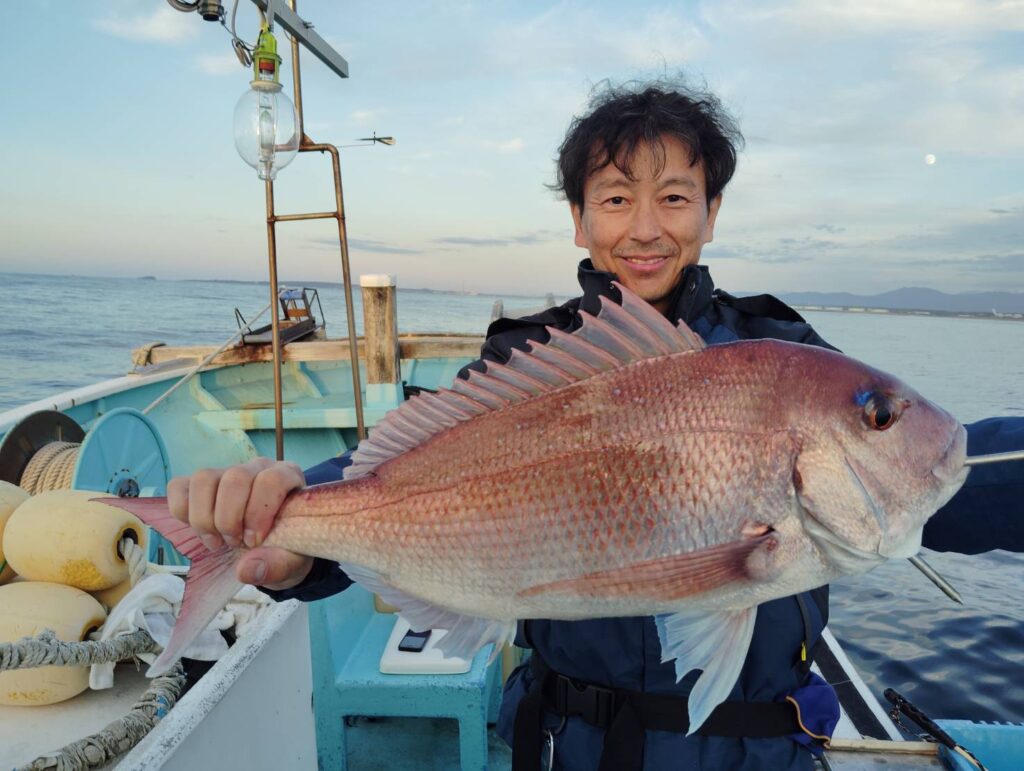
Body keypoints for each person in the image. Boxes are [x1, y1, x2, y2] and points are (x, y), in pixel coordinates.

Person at [168, 82, 1024, 770]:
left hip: (759, 752)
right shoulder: (524, 362)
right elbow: (389, 485)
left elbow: (931, 490)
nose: (645, 228)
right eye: (616, 198)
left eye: (675, 197)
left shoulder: (785, 353)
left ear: (710, 213)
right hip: (574, 747)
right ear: (581, 218)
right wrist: (288, 541)